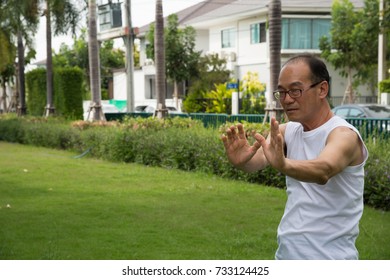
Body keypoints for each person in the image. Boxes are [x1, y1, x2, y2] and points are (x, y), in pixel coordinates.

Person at [221, 53, 368, 260]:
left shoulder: (344, 135)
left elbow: (323, 169)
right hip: (287, 256)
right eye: (281, 92)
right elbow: (257, 161)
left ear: (322, 89)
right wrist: (241, 161)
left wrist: (284, 165)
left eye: (296, 90)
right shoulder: (288, 131)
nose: (287, 100)